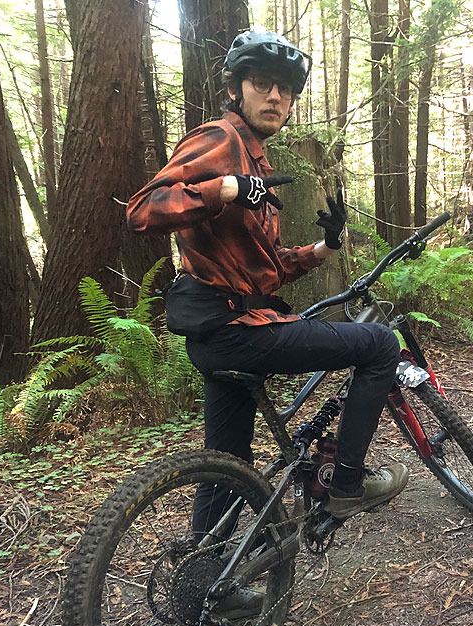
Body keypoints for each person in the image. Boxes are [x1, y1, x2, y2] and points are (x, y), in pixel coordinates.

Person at [127, 30, 408, 539]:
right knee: (380, 344)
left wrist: (325, 248)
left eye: (286, 89)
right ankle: (346, 485)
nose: (276, 97)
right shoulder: (220, 139)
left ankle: (206, 572)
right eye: (262, 83)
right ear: (235, 89)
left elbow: (259, 268)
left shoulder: (256, 158)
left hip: (221, 331)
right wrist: (225, 187)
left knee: (227, 466)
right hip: (237, 328)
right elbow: (142, 210)